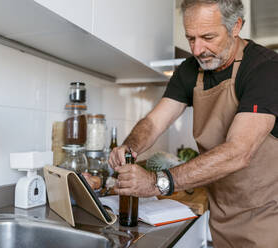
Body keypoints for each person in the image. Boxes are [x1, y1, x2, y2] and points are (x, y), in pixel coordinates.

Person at [109, 0, 278, 247]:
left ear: (236, 26)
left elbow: (238, 152)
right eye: (191, 38)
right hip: (221, 214)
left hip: (268, 215)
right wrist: (130, 147)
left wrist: (156, 182)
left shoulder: (265, 69)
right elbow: (154, 122)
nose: (198, 49)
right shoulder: (190, 70)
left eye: (208, 37)